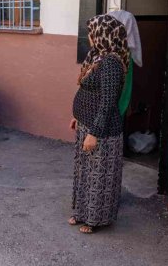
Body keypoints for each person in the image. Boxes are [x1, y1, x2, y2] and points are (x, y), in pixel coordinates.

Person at [69, 14, 130, 234]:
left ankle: (95, 219)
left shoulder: (112, 63)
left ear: (104, 35)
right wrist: (77, 116)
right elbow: (86, 89)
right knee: (84, 171)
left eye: (92, 32)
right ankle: (82, 212)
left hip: (102, 129)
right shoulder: (96, 57)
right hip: (86, 123)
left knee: (99, 175)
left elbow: (107, 102)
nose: (89, 36)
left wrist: (94, 133)